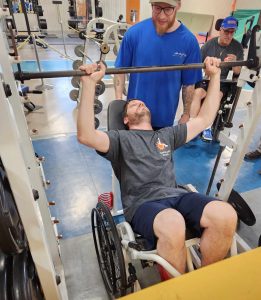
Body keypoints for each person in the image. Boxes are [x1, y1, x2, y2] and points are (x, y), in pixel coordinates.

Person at [77, 57, 237, 276]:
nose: (139, 102)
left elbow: (205, 119)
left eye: (141, 102)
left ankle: (205, 281)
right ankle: (176, 291)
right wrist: (89, 85)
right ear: (125, 120)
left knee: (225, 214)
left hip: (176, 195)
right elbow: (86, 135)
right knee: (173, 223)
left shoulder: (167, 135)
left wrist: (216, 76)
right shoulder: (119, 140)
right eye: (132, 104)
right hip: (143, 203)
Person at [114, 0, 202, 129]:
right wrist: (118, 104)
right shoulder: (134, 33)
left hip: (164, 119)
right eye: (157, 8)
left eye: (168, 9)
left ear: (178, 6)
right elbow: (119, 71)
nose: (161, 15)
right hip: (135, 119)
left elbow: (189, 83)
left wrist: (186, 114)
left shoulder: (189, 41)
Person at [190, 16, 244, 141]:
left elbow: (238, 72)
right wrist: (207, 67)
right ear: (220, 30)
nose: (229, 35)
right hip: (208, 78)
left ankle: (207, 127)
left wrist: (235, 62)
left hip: (223, 81)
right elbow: (198, 65)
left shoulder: (237, 47)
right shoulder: (209, 44)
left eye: (232, 32)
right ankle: (192, 125)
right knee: (197, 93)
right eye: (226, 31)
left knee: (217, 96)